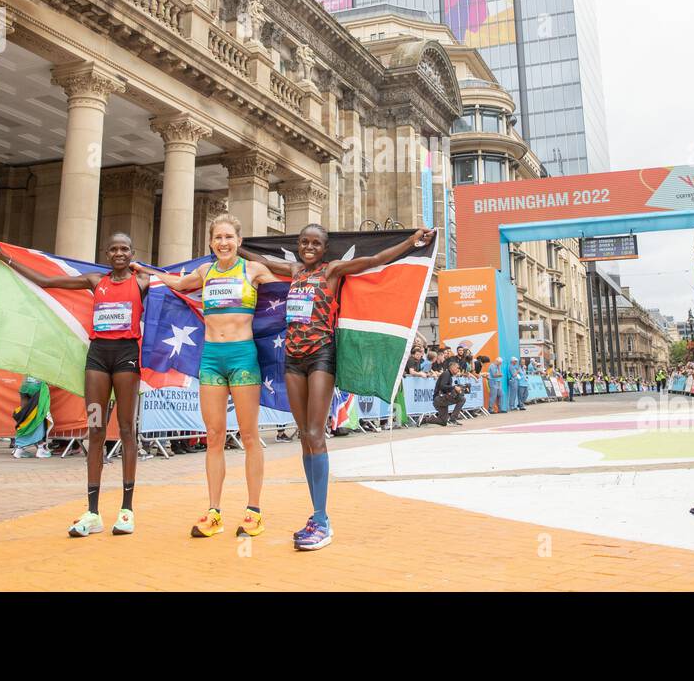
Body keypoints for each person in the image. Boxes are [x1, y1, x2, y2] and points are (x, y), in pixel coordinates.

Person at [246, 224, 434, 551]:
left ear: (324, 248)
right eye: (303, 242)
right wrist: (233, 247)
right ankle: (315, 515)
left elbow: (375, 258)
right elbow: (258, 259)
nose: (308, 247)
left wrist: (411, 242)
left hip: (321, 355)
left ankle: (322, 518)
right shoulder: (292, 270)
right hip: (292, 358)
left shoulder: (332, 271)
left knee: (317, 433)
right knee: (304, 433)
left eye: (315, 243)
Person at [0, 234, 147, 536]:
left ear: (132, 253)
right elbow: (47, 281)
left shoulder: (142, 282)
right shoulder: (93, 279)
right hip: (98, 358)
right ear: (105, 252)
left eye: (124, 249)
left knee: (127, 429)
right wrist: (6, 259)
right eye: (113, 248)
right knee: (96, 428)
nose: (118, 253)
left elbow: (177, 283)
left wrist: (146, 270)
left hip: (127, 356)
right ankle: (93, 513)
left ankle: (127, 511)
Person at [146, 214, 277, 540]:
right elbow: (175, 283)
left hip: (243, 358)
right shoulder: (204, 272)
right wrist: (141, 269)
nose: (223, 243)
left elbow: (286, 286)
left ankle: (254, 512)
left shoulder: (252, 270)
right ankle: (214, 512)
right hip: (211, 360)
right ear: (210, 242)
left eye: (229, 237)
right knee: (215, 436)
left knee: (249, 436)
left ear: (239, 241)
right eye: (218, 237)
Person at [433, 359, 467, 425]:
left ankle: (424, 420)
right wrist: (454, 387)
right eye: (457, 368)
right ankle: (453, 419)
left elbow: (446, 388)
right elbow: (442, 386)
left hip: (441, 398)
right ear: (452, 367)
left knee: (443, 421)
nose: (458, 370)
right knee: (462, 399)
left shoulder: (449, 375)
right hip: (439, 398)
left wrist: (458, 389)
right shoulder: (446, 374)